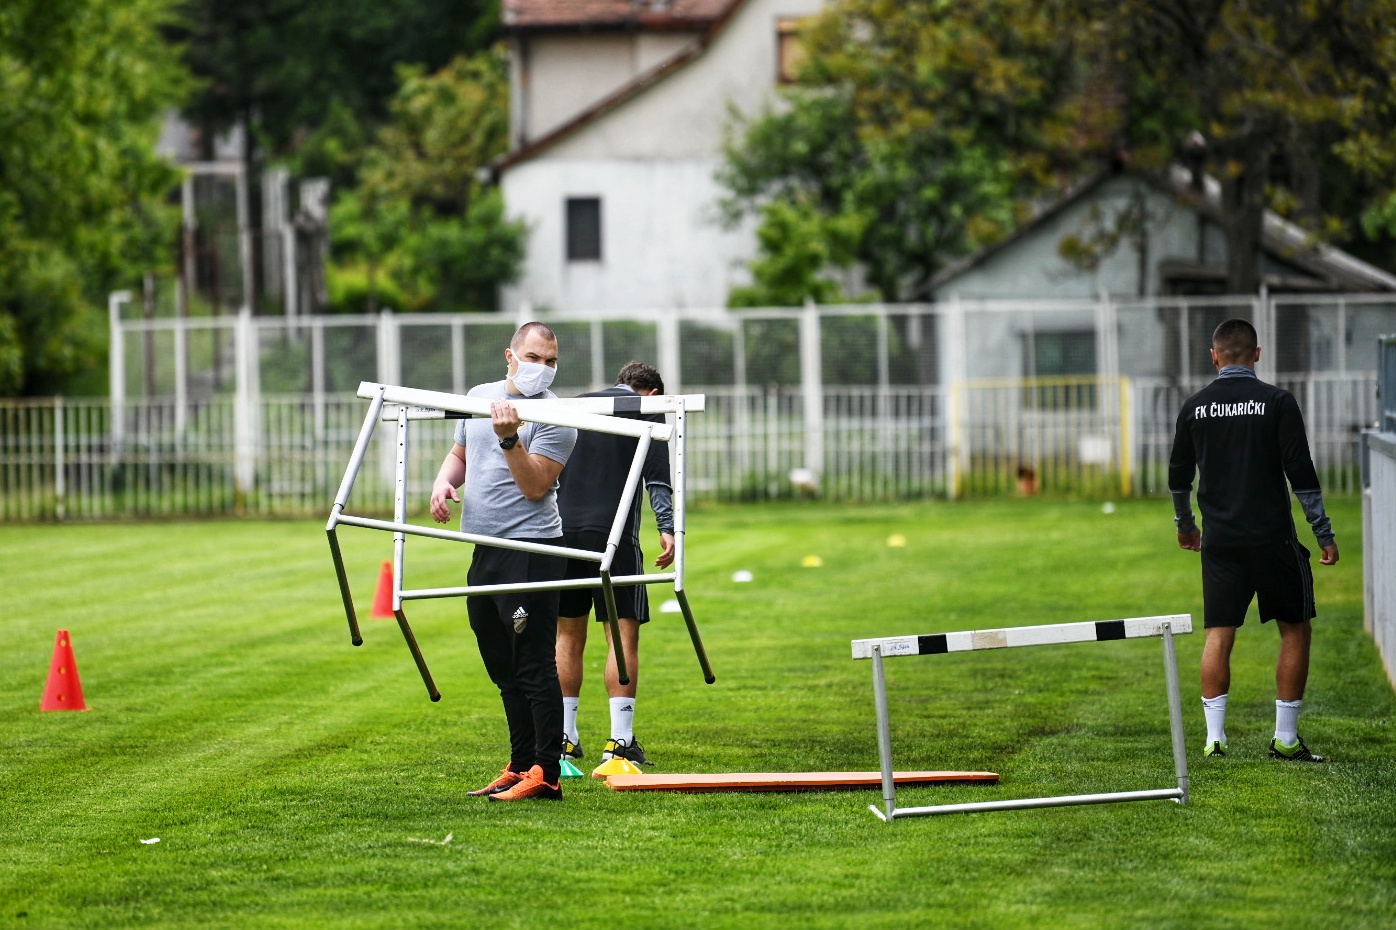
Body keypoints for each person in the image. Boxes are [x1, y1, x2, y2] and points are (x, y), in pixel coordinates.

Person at [1168, 318, 1338, 762]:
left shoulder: (1196, 406)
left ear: (1215, 356)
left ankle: (1214, 739)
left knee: (1218, 634)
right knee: (1295, 630)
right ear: (1257, 354)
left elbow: (1177, 476)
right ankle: (1284, 739)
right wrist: (1323, 532)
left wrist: (1185, 525)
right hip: (1273, 539)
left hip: (1220, 541)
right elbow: (1301, 473)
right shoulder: (1278, 402)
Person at [429, 322, 577, 801]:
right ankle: (519, 762)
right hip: (485, 546)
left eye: (550, 361)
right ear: (509, 356)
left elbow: (535, 486)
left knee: (534, 662)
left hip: (533, 547)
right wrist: (443, 481)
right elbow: (462, 452)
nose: (542, 369)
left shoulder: (559, 418)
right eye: (533, 358)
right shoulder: (481, 396)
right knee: (500, 661)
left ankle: (547, 773)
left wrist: (511, 439)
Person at [555, 361, 676, 767]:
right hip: (615, 534)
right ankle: (619, 742)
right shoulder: (647, 411)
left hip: (562, 534)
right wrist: (667, 527)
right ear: (653, 394)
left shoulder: (573, 406)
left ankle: (565, 739)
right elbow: (657, 478)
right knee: (621, 637)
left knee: (566, 636)